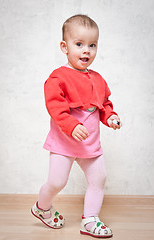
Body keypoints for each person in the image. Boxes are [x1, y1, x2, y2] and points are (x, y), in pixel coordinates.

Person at [31, 14, 122, 238]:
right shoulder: (58, 77)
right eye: (79, 44)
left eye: (92, 45)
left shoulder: (98, 79)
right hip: (64, 143)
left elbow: (104, 105)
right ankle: (42, 208)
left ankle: (90, 220)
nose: (86, 51)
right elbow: (55, 107)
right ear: (64, 46)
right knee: (56, 182)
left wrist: (110, 117)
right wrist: (71, 125)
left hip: (89, 145)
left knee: (98, 179)